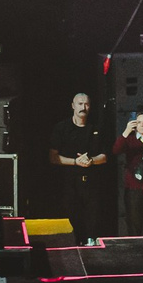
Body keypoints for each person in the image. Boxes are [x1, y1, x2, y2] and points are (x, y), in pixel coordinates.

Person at [49, 92, 108, 240]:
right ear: (73, 106)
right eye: (80, 104)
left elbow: (105, 156)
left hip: (91, 183)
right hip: (69, 183)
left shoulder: (96, 128)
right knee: (71, 220)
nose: (83, 107)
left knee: (92, 220)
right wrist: (76, 162)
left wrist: (91, 161)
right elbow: (53, 157)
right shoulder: (61, 128)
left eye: (86, 104)